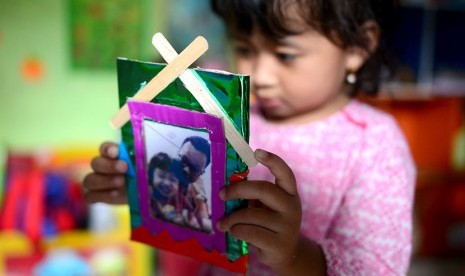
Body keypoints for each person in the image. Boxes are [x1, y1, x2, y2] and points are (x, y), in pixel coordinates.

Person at [83, 0, 416, 275]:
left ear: (358, 46)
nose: (260, 74)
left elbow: (378, 268)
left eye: (285, 55)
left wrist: (294, 254)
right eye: (244, 49)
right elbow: (198, 203)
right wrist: (143, 190)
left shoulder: (375, 144)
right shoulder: (226, 117)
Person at [178, 136, 213, 233]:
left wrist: (200, 203)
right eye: (184, 160)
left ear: (200, 173)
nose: (186, 170)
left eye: (195, 169)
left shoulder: (198, 185)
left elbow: (206, 227)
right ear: (178, 155)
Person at [147, 152, 188, 224]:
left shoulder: (181, 199)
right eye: (161, 176)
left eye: (172, 179)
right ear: (151, 175)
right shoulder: (146, 195)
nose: (166, 183)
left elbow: (190, 216)